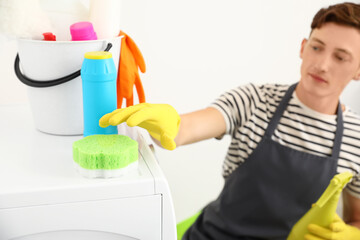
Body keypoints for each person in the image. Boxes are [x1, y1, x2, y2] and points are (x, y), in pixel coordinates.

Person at [99, 2, 360, 240]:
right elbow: (184, 129)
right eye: (317, 47)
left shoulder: (356, 139)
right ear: (303, 48)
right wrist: (169, 124)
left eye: (340, 57)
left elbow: (356, 219)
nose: (322, 64)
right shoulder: (255, 100)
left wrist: (352, 235)